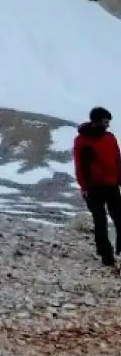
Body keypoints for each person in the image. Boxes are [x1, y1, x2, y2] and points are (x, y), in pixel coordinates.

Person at [72, 106, 121, 268]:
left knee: (119, 218)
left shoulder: (110, 138)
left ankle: (118, 249)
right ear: (97, 121)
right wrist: (85, 187)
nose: (107, 125)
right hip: (93, 188)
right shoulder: (81, 141)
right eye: (105, 121)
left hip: (112, 186)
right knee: (100, 222)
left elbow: (117, 161)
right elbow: (79, 165)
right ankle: (106, 257)